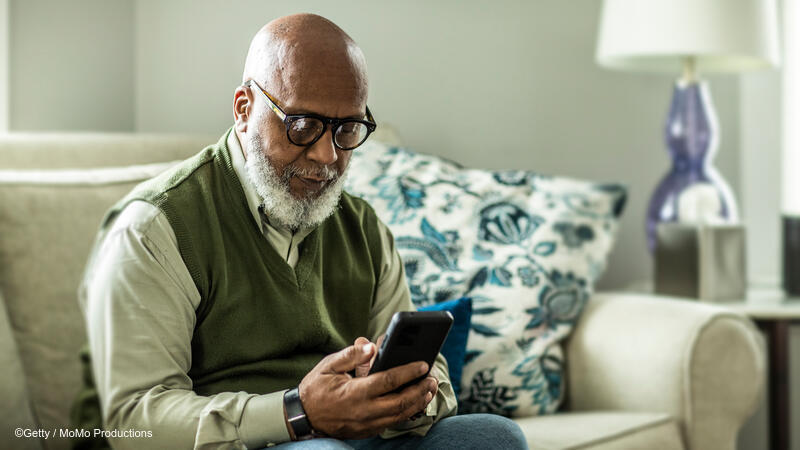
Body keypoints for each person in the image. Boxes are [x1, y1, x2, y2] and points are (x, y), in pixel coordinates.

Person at [72, 13, 528, 450]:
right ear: (244, 109)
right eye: (303, 125)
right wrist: (299, 413)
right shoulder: (156, 227)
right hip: (235, 444)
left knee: (495, 438)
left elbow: (434, 374)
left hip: (350, 438)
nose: (328, 156)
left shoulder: (364, 229)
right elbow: (136, 420)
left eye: (347, 128)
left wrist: (404, 398)